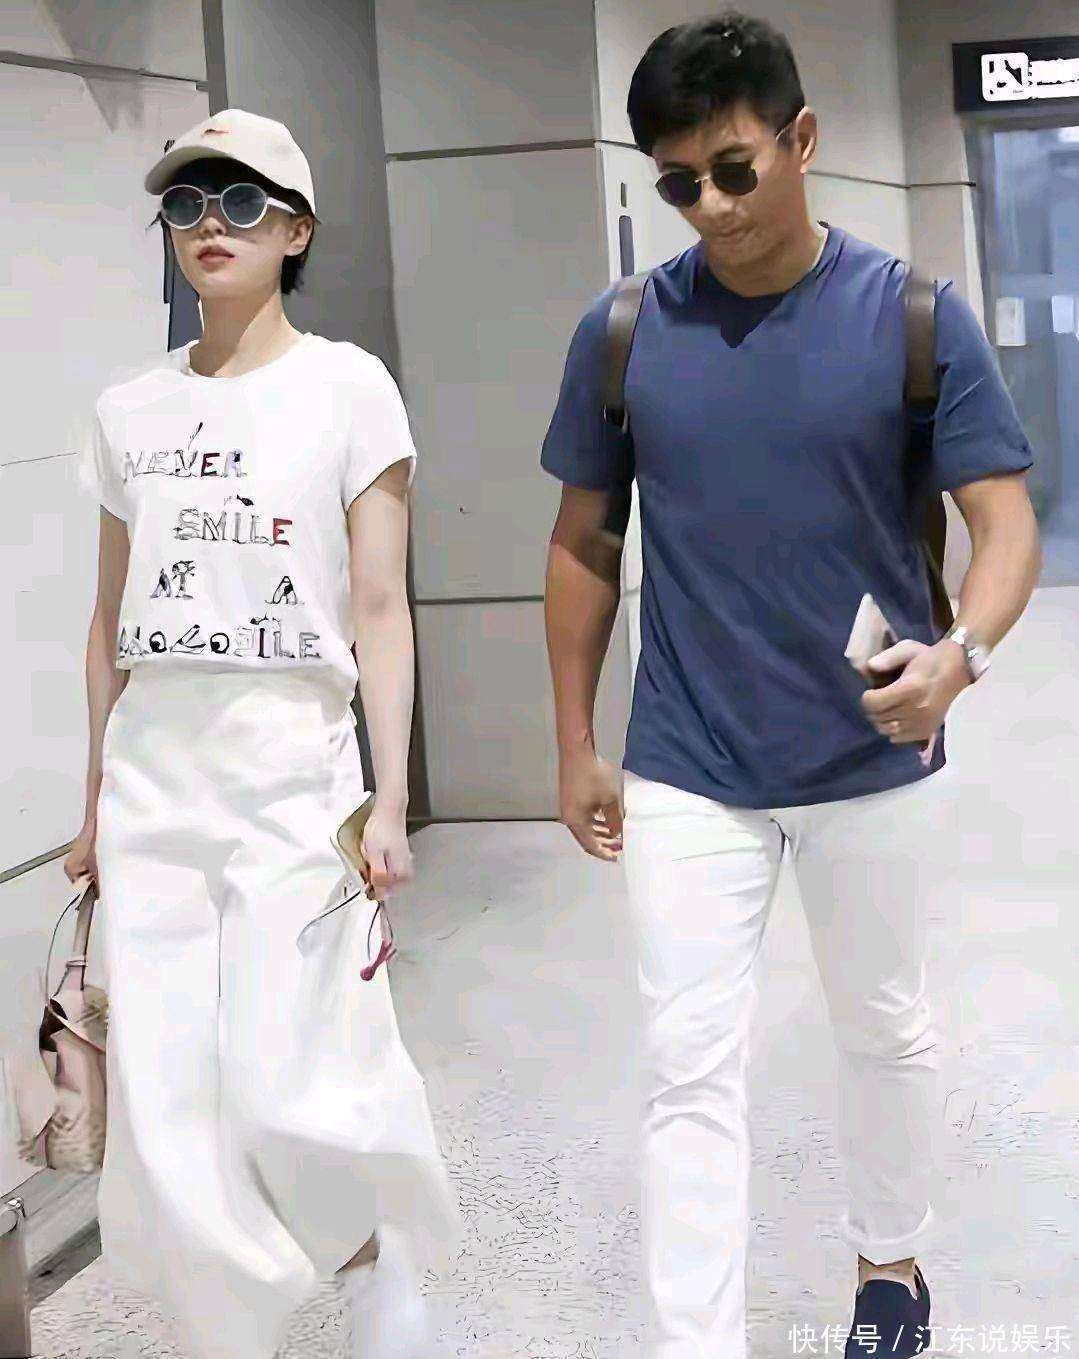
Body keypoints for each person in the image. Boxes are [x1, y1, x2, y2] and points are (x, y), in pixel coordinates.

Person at [540, 14, 1040, 1359]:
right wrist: (575, 738)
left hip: (868, 753)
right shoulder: (624, 329)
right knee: (685, 1062)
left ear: (799, 140)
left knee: (880, 1027)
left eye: (732, 168)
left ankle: (888, 1269)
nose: (709, 205)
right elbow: (583, 540)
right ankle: (692, 1337)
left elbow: (1002, 526)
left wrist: (958, 658)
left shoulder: (910, 316)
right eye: (677, 184)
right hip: (686, 758)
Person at [64, 108, 461, 1359]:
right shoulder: (128, 408)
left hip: (294, 764)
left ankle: (372, 1267)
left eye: (240, 202)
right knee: (170, 1095)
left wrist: (388, 797)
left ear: (295, 232)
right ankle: (222, 1333)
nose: (210, 226)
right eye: (186, 204)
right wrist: (91, 802)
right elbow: (108, 624)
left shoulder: (347, 388)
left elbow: (380, 606)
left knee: (293, 1071)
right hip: (153, 775)